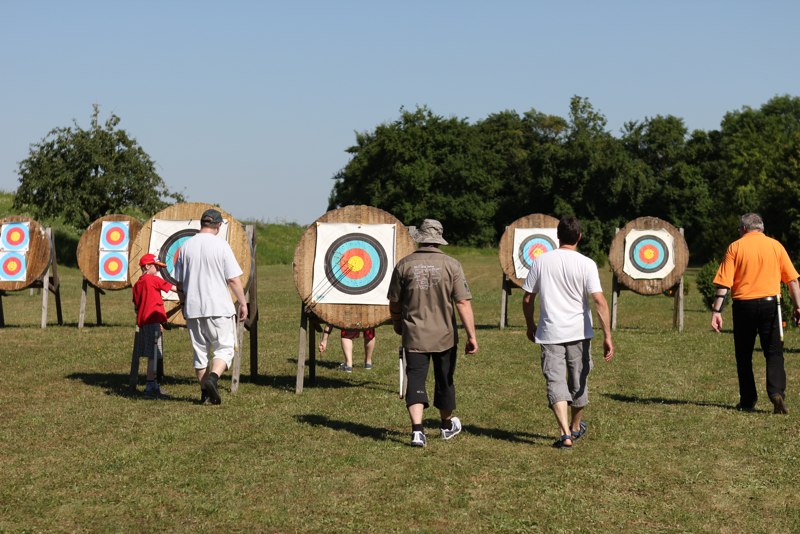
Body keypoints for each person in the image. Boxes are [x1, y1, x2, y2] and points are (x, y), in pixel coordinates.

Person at [521, 216, 614, 450]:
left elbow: (528, 298)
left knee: (555, 380)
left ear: (557, 236)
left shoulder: (541, 261)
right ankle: (573, 427)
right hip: (579, 332)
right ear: (579, 237)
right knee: (578, 381)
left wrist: (530, 325)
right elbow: (599, 301)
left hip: (550, 332)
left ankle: (566, 433)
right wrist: (607, 336)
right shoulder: (587, 263)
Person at [387, 219, 478, 447]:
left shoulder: (404, 265)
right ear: (438, 240)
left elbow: (394, 301)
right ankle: (446, 426)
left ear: (420, 238)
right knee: (444, 380)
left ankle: (418, 432)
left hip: (414, 335)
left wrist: (397, 323)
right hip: (444, 336)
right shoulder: (452, 265)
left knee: (415, 379)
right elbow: (463, 302)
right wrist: (472, 336)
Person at [711, 212, 800, 414]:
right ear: (761, 228)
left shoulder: (735, 247)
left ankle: (748, 400)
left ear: (744, 228)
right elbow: (793, 280)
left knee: (744, 354)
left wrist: (716, 311)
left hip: (744, 306)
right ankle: (776, 393)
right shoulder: (776, 246)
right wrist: (798, 307)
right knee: (774, 352)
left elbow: (724, 283)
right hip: (772, 305)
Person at [174, 208, 248, 405]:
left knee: (200, 353)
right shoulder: (221, 245)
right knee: (224, 348)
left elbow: (179, 283)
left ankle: (205, 394)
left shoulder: (185, 247)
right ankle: (213, 379)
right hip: (218, 307)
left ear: (201, 224)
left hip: (193, 308)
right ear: (218, 225)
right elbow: (233, 279)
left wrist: (183, 303)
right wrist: (242, 303)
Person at [132, 253, 176, 398]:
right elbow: (174, 288)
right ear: (147, 266)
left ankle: (153, 385)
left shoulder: (138, 284)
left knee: (153, 353)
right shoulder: (153, 279)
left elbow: (136, 305)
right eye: (156, 266)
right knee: (154, 354)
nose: (158, 269)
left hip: (145, 322)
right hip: (152, 322)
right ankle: (150, 387)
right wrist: (188, 289)